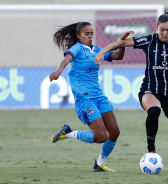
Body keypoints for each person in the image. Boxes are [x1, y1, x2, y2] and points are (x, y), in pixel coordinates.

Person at [95, 11, 168, 172]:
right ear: (156, 27)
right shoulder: (148, 40)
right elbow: (120, 44)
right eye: (162, 29)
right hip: (150, 90)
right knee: (154, 111)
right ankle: (151, 150)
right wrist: (102, 52)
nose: (165, 33)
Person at [49, 21, 133, 172]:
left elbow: (117, 56)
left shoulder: (97, 50)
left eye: (92, 33)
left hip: (99, 97)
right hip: (84, 99)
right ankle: (68, 133)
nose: (90, 36)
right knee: (101, 136)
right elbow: (66, 59)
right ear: (78, 36)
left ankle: (100, 164)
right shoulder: (77, 48)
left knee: (114, 132)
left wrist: (122, 43)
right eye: (86, 34)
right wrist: (58, 71)